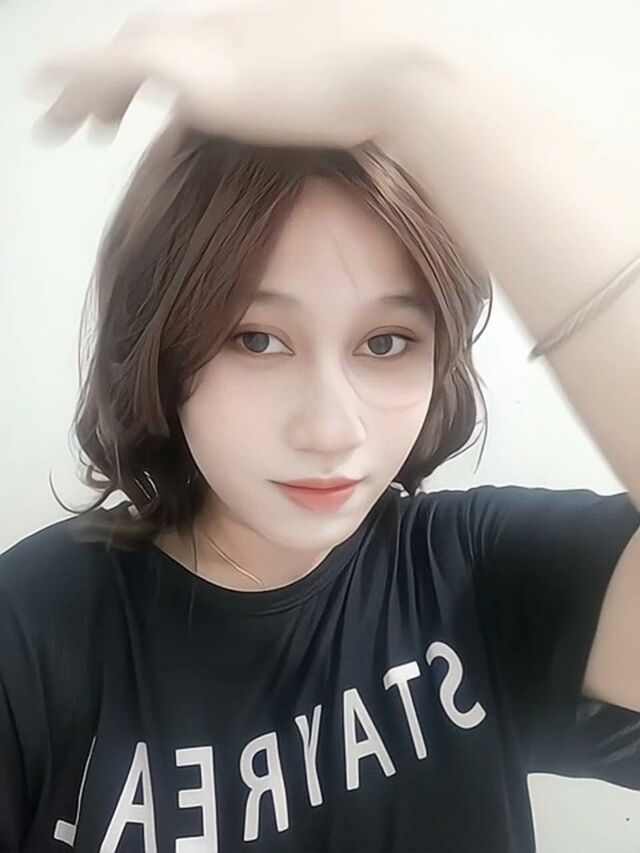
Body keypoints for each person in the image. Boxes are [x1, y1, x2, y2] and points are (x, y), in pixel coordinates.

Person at [2, 0, 639, 850]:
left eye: (386, 341)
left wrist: (423, 84)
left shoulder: (480, 577)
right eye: (256, 339)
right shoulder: (32, 629)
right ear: (160, 345)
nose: (332, 429)